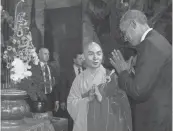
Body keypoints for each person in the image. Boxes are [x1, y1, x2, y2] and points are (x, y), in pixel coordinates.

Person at [110, 10, 172, 131]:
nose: (125, 38)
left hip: (153, 121)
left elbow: (138, 91)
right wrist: (131, 72)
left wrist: (123, 72)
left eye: (124, 32)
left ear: (133, 24)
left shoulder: (150, 45)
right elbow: (152, 83)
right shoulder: (157, 40)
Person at [67, 42, 132, 131]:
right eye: (91, 54)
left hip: (106, 126)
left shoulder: (112, 77)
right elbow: (71, 104)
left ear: (102, 56)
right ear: (84, 57)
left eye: (98, 53)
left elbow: (122, 105)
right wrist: (87, 100)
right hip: (85, 126)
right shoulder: (79, 79)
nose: (95, 57)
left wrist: (102, 99)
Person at [59, 52, 85, 131]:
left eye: (83, 58)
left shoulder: (86, 71)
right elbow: (63, 87)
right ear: (74, 60)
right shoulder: (66, 72)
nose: (82, 60)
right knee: (71, 122)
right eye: (80, 58)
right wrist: (62, 101)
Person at [37, 48, 57, 112]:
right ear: (39, 55)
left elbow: (55, 84)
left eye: (48, 54)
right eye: (45, 54)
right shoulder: (35, 67)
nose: (47, 55)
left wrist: (56, 100)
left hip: (50, 98)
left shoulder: (51, 67)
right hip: (39, 98)